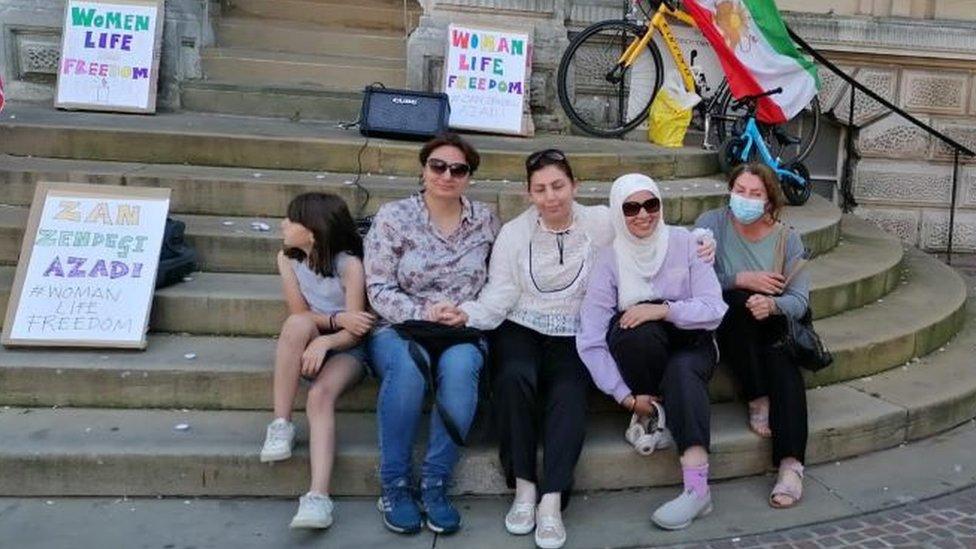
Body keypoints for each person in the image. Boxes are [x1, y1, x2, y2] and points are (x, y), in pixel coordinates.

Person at [429, 149, 613, 549]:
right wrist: (465, 313)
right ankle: (524, 488)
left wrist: (699, 242)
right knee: (513, 378)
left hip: (576, 331)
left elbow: (647, 224)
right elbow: (501, 294)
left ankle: (552, 500)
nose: (551, 197)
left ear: (575, 186)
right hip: (520, 324)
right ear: (529, 194)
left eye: (558, 186)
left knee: (569, 391)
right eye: (541, 189)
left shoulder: (601, 222)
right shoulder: (514, 233)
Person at [364, 133, 500, 535]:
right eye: (438, 166)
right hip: (401, 326)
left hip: (461, 328)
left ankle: (436, 481)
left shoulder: (487, 220)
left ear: (469, 177)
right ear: (423, 169)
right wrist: (425, 310)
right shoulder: (394, 217)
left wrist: (467, 312)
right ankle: (395, 485)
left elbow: (500, 281)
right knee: (407, 369)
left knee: (461, 369)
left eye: (458, 169)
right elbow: (378, 287)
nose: (447, 175)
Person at [577, 173, 727, 531]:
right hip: (642, 356)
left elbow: (714, 309)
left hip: (691, 340)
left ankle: (697, 490)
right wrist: (624, 396)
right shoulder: (609, 259)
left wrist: (664, 309)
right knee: (633, 330)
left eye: (651, 204)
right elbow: (591, 337)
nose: (642, 214)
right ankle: (651, 409)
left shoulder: (688, 243)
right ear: (618, 213)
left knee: (682, 371)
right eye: (631, 208)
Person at [695, 162, 810, 509]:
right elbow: (693, 280)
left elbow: (800, 301)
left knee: (781, 355)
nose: (745, 199)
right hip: (733, 320)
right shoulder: (710, 225)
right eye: (739, 191)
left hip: (777, 317)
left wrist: (772, 306)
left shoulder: (789, 239)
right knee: (734, 301)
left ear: (769, 201)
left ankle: (791, 464)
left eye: (755, 194)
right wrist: (741, 279)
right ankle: (758, 395)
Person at [258, 192, 376, 529]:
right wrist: (337, 321)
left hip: (349, 349)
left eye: (291, 219)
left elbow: (358, 330)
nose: (283, 224)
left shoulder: (349, 265)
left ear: (313, 230)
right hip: (312, 336)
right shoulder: (287, 259)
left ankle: (318, 497)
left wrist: (328, 340)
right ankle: (281, 424)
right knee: (295, 324)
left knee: (318, 396)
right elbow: (301, 314)